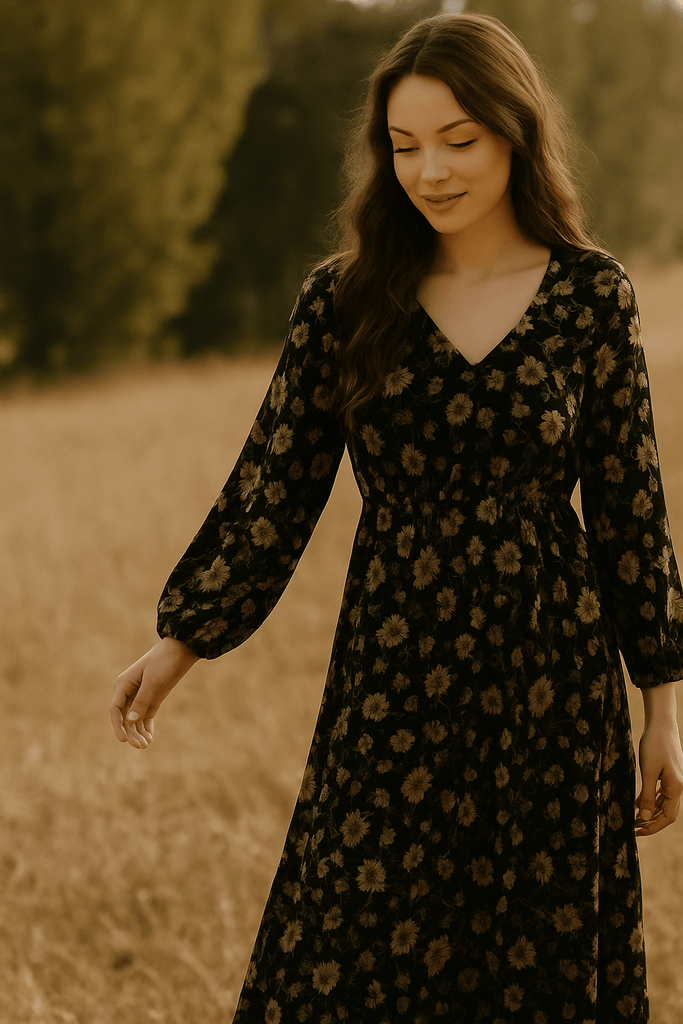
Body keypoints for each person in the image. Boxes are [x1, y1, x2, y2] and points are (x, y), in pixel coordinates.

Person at [110, 12, 683, 1022]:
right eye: (404, 144)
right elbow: (274, 483)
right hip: (391, 673)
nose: (430, 170)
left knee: (531, 964)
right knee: (346, 950)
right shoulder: (343, 299)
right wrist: (182, 641)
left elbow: (629, 512)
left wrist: (661, 712)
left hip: (547, 683)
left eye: (457, 140)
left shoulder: (592, 296)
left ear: (515, 131)